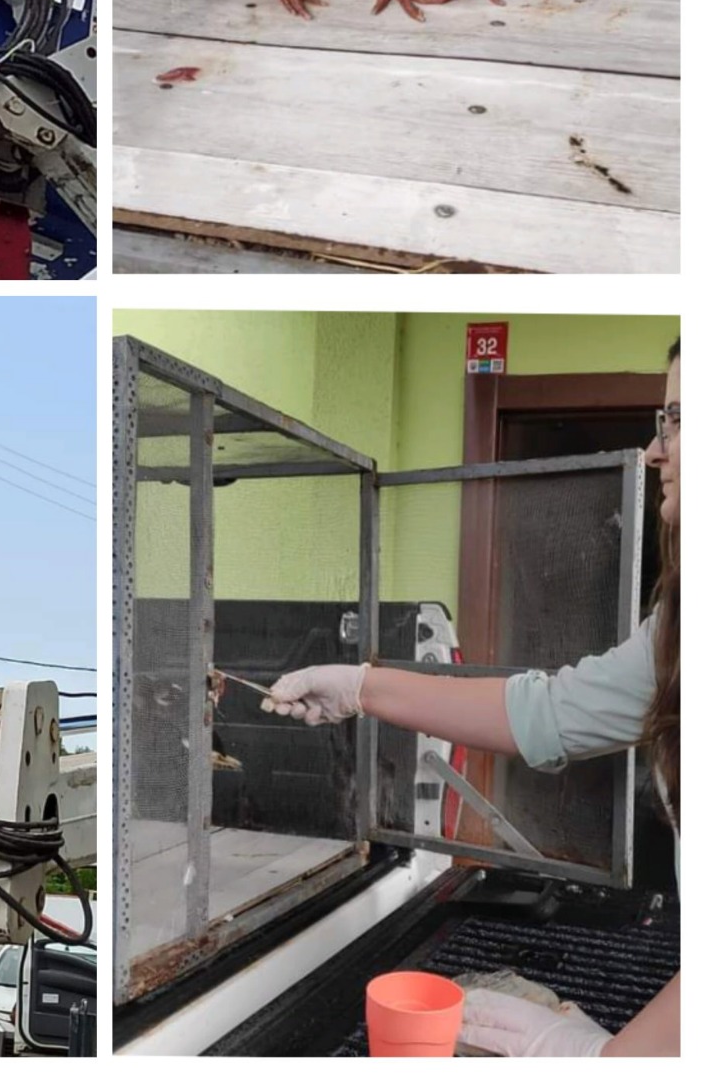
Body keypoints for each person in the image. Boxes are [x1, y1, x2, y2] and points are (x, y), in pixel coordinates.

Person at [263, 336, 681, 1058]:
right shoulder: (680, 626)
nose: (653, 451)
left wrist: (595, 1059)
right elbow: (545, 714)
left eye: (675, 419)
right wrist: (361, 687)